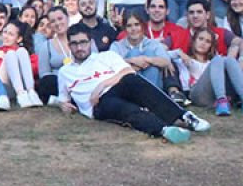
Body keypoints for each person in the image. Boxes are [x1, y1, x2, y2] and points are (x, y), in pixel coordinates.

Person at [57, 23, 210, 144]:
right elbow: (63, 99)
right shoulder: (65, 72)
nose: (79, 47)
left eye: (83, 42)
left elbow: (127, 71)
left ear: (90, 42)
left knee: (133, 81)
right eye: (74, 44)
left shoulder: (106, 56)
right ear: (69, 46)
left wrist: (101, 86)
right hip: (98, 104)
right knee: (125, 109)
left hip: (115, 87)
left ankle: (185, 117)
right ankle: (165, 130)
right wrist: (63, 105)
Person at [178, 27, 243, 116]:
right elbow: (166, 56)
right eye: (201, 39)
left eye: (208, 41)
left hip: (215, 94)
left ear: (211, 46)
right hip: (197, 95)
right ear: (194, 41)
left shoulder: (214, 63)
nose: (203, 43)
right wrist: (178, 52)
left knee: (229, 60)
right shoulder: (184, 60)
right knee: (218, 59)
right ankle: (222, 101)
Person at [109, 10, 172, 88]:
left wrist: (146, 59)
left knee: (149, 53)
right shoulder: (117, 45)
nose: (133, 29)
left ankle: (147, 95)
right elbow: (111, 64)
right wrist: (132, 61)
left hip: (154, 85)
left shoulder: (153, 43)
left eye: (137, 24)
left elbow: (166, 61)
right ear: (125, 28)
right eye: (129, 26)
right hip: (127, 87)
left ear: (142, 26)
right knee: (134, 52)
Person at [0, 20, 42, 108]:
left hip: (24, 85)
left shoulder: (26, 54)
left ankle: (31, 92)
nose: (6, 36)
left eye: (10, 34)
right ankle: (21, 94)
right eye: (5, 32)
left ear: (19, 39)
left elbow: (36, 69)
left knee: (21, 51)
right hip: (3, 86)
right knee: (10, 54)